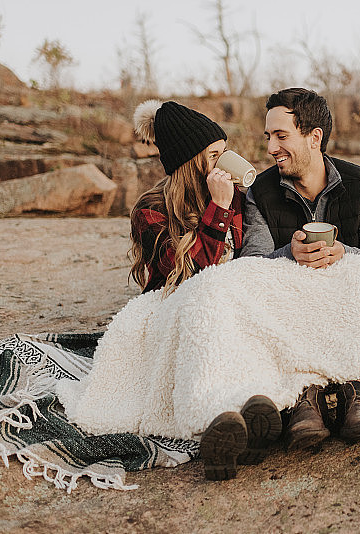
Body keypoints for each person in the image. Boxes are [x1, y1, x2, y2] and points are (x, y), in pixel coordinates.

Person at [128, 100, 283, 481]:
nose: (224, 162)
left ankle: (246, 419)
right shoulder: (151, 210)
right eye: (214, 156)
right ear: (190, 162)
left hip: (228, 310)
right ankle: (214, 421)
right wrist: (218, 208)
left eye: (224, 151)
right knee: (207, 298)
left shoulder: (241, 198)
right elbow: (192, 273)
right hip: (176, 310)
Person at [240, 88, 360, 452]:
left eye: (281, 136)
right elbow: (250, 269)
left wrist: (344, 255)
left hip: (348, 305)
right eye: (268, 136)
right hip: (292, 309)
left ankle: (358, 392)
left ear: (314, 137)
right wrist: (289, 255)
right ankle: (302, 396)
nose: (271, 148)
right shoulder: (260, 192)